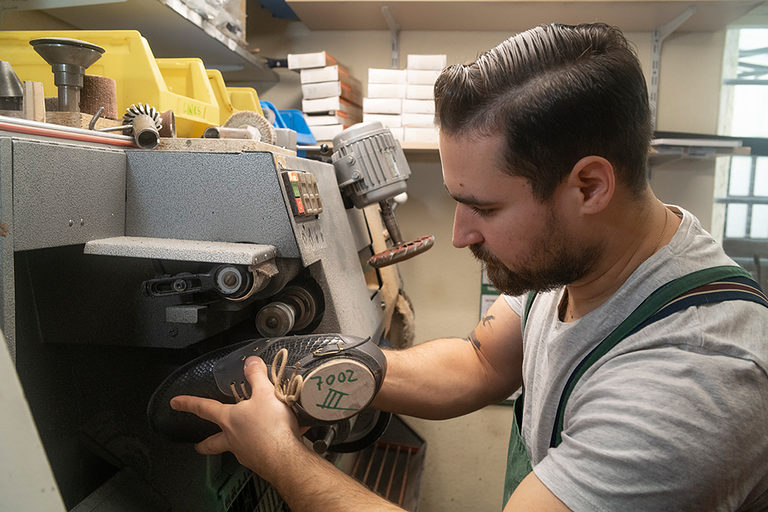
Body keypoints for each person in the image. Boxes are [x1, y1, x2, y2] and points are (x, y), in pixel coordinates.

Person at [170, 22, 768, 511]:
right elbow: (481, 363)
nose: (460, 235)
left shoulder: (693, 382)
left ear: (589, 186)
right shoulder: (593, 254)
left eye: (484, 207)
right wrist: (318, 369)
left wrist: (281, 459)